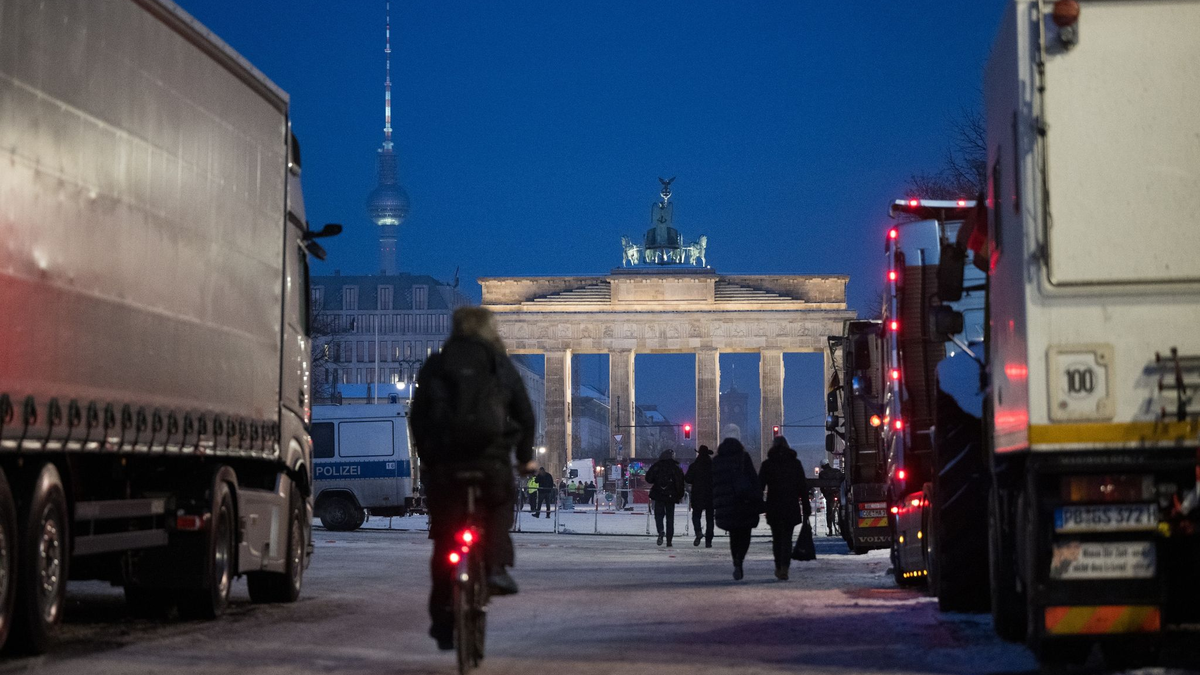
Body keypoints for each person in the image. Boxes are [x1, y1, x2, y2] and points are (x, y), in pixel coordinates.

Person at [409, 307, 537, 650]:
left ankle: (442, 620)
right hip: (491, 460)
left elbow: (417, 416)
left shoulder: (437, 363)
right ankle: (494, 568)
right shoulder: (498, 362)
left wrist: (427, 456)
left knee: (444, 541)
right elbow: (525, 414)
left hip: (446, 465)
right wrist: (524, 459)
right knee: (498, 503)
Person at [759, 436, 810, 581]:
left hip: (774, 506)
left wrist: (759, 505)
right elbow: (803, 487)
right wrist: (806, 507)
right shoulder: (795, 464)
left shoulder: (767, 464)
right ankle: (785, 568)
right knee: (787, 538)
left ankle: (778, 566)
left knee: (777, 539)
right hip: (790, 506)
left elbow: (759, 486)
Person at [711, 438, 761, 580]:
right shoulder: (743, 458)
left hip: (727, 504)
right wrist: (757, 497)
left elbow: (713, 482)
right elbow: (753, 478)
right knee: (745, 533)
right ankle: (741, 559)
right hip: (744, 502)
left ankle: (736, 562)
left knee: (734, 535)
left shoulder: (717, 461)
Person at [645, 449, 685, 546]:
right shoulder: (675, 468)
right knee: (670, 519)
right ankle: (669, 541)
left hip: (659, 495)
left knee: (659, 515)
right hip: (671, 497)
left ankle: (661, 531)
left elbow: (648, 479)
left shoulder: (657, 466)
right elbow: (680, 482)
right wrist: (680, 495)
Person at [685, 445, 715, 547]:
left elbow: (688, 479)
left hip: (698, 495)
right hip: (710, 495)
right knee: (710, 518)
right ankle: (709, 541)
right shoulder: (713, 466)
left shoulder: (694, 466)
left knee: (696, 516)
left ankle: (698, 532)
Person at [817, 460, 844, 536]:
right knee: (842, 509)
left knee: (829, 512)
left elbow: (821, 486)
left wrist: (825, 494)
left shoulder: (822, 474)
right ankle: (842, 526)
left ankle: (830, 530)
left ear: (822, 466)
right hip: (837, 493)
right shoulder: (837, 471)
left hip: (829, 494)